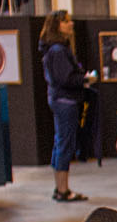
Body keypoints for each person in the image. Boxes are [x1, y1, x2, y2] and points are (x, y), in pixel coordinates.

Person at [40, 10, 94, 201]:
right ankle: (63, 190)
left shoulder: (55, 49)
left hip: (60, 100)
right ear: (57, 25)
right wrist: (85, 79)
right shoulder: (58, 51)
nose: (71, 24)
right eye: (66, 21)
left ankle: (60, 188)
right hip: (66, 102)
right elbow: (65, 78)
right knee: (64, 143)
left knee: (60, 142)